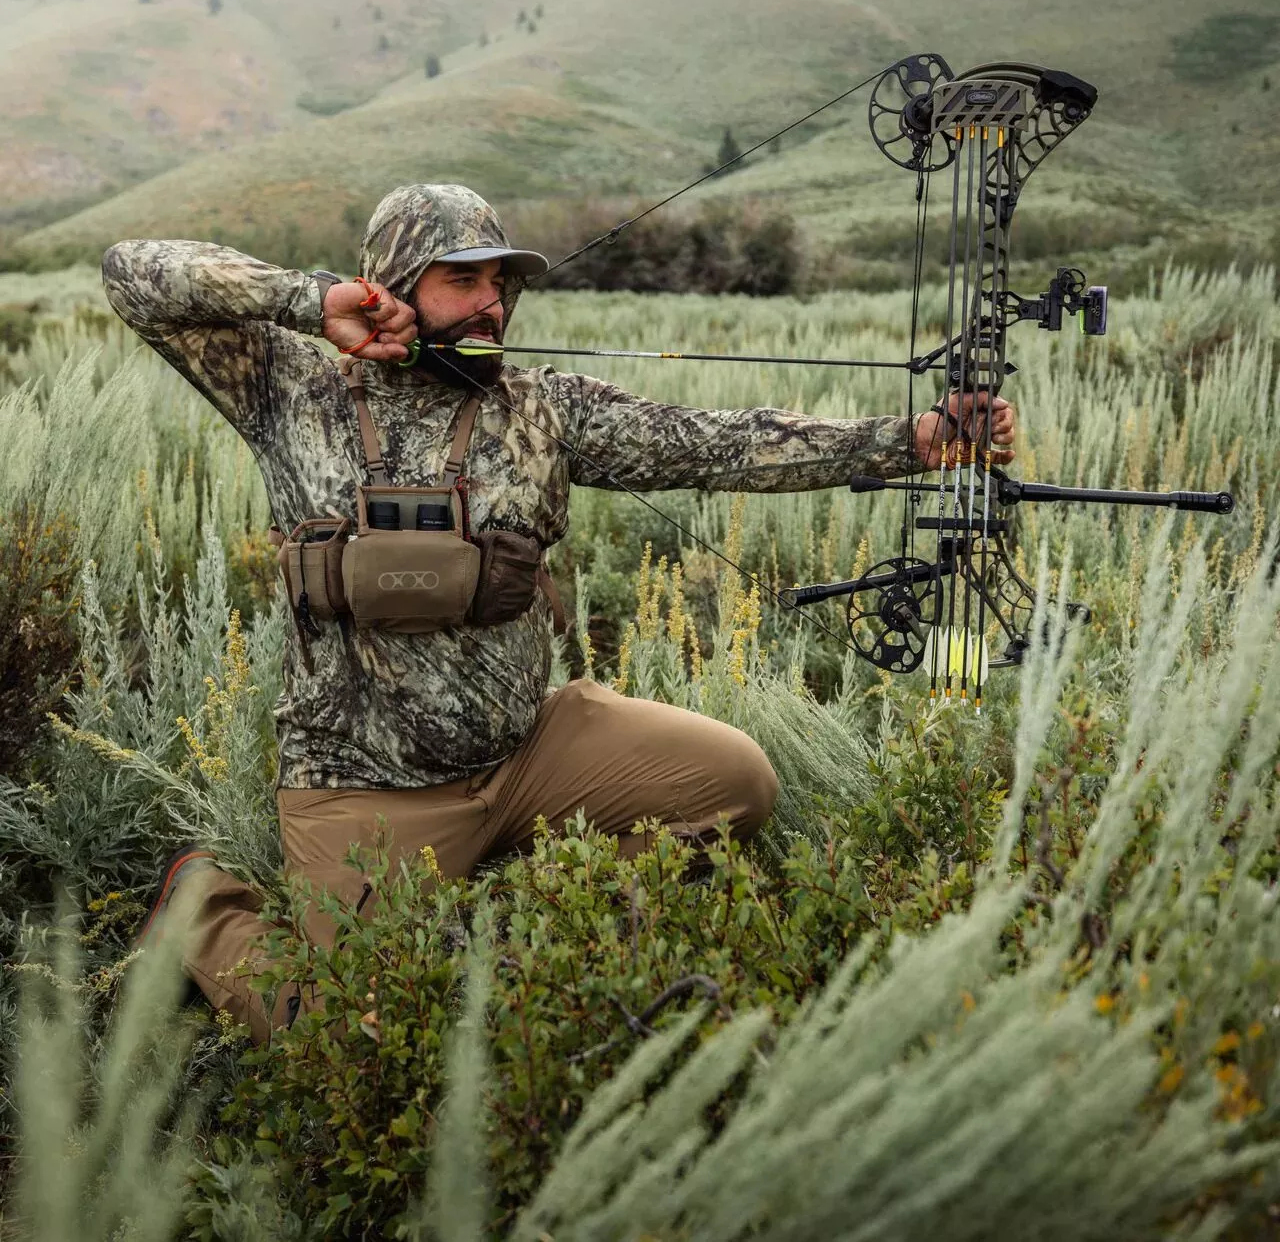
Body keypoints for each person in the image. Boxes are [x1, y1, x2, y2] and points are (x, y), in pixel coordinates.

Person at [103, 184, 1016, 1044]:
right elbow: (132, 274)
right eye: (463, 280)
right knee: (347, 1029)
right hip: (361, 787)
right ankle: (198, 908)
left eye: (499, 283)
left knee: (739, 782)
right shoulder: (289, 389)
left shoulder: (541, 409)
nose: (491, 303)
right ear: (392, 286)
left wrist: (912, 440)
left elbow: (718, 444)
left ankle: (514, 918)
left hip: (528, 755)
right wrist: (311, 300)